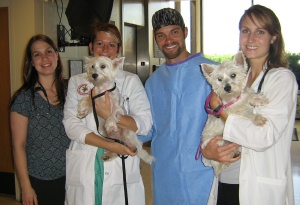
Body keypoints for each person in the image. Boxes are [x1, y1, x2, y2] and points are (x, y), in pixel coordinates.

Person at [202, 4, 297, 205]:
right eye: (246, 31)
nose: (251, 39)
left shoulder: (282, 79)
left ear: (273, 37)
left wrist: (221, 111)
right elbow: (210, 130)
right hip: (226, 180)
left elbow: (264, 135)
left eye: (260, 32)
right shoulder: (235, 79)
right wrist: (206, 152)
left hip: (258, 188)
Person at [63, 22, 152, 205]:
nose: (105, 49)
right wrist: (110, 146)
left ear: (118, 50)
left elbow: (144, 124)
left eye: (111, 45)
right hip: (86, 159)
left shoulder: (131, 81)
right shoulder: (76, 81)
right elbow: (71, 126)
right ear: (91, 46)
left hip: (121, 163)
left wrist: (114, 117)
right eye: (99, 43)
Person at [141, 8, 218, 205]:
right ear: (155, 38)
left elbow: (232, 119)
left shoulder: (211, 73)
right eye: (161, 35)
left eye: (174, 32)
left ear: (185, 32)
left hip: (203, 171)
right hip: (165, 174)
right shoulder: (153, 82)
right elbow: (147, 129)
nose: (168, 40)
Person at [10, 34, 70, 205]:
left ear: (56, 55)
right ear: (31, 62)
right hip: (40, 180)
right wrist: (26, 187)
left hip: (73, 175)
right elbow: (18, 146)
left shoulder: (71, 92)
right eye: (37, 54)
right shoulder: (23, 100)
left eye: (49, 52)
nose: (44, 58)